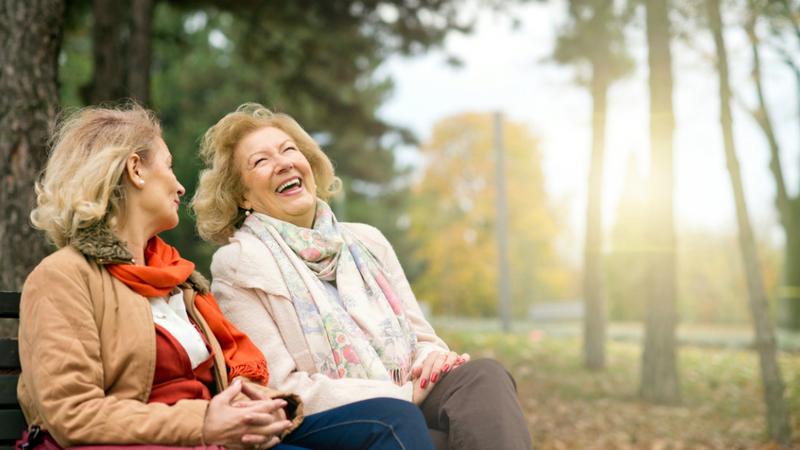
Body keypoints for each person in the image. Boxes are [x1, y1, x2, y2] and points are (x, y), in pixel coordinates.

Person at [17, 103, 436, 450]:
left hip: (219, 440)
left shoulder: (178, 282)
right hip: (165, 442)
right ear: (135, 170)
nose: (181, 187)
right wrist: (203, 420)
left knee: (392, 418)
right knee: (393, 420)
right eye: (169, 166)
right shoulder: (63, 278)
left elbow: (234, 375)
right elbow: (71, 412)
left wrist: (266, 406)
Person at [192, 103, 533, 450]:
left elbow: (421, 337)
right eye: (260, 161)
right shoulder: (239, 264)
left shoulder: (368, 240)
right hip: (336, 418)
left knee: (483, 376)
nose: (283, 163)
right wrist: (399, 393)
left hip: (410, 392)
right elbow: (280, 386)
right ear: (241, 195)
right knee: (426, 436)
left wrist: (433, 358)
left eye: (289, 150)